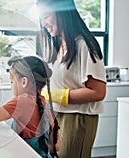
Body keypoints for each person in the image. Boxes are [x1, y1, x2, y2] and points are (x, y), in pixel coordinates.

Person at [35, 0, 107, 157]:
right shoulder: (57, 44)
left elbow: (98, 92)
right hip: (56, 116)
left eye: (46, 16)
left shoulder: (84, 45)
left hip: (76, 120)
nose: (43, 23)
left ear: (62, 13)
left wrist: (55, 95)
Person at [0, 56, 60, 158]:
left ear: (24, 82)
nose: (11, 85)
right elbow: (57, 146)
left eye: (12, 81)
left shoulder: (22, 102)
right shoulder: (45, 105)